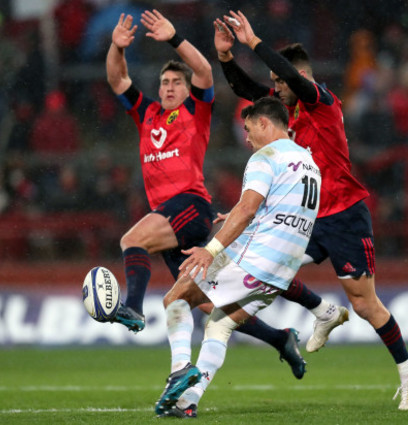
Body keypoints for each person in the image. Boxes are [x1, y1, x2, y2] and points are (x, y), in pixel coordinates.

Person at [214, 11, 408, 410]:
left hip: (345, 213)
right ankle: (323, 310)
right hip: (308, 216)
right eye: (275, 84)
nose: (276, 89)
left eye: (281, 82)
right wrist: (227, 58)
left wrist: (253, 41)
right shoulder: (290, 112)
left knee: (364, 303)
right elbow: (249, 90)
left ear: (301, 79)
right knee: (270, 271)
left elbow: (290, 79)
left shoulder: (322, 102)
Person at [105, 10, 312, 378]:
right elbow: (118, 79)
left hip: (189, 204)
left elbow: (202, 70)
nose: (168, 87)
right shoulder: (147, 114)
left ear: (187, 89)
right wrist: (116, 48)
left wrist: (174, 38)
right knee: (208, 304)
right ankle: (281, 339)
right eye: (164, 82)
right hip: (168, 218)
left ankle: (134, 308)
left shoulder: (195, 110)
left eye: (175, 82)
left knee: (131, 239)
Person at [155, 97, 322, 418]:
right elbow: (280, 206)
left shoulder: (265, 156)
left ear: (264, 123)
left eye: (248, 129)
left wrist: (211, 250)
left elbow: (247, 209)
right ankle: (187, 400)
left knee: (176, 296)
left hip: (254, 258)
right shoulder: (309, 162)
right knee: (219, 325)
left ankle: (179, 368)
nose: (246, 137)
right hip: (282, 271)